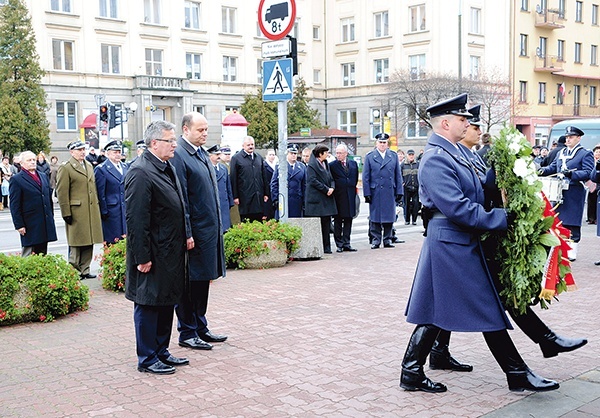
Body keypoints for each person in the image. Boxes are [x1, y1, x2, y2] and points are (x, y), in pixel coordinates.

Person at [400, 93, 558, 394]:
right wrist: (502, 218)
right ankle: (517, 373)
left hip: (456, 240)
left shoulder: (453, 153)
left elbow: (476, 188)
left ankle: (412, 371)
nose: (467, 123)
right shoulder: (436, 159)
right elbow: (458, 207)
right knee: (482, 306)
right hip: (450, 240)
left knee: (436, 310)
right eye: (462, 119)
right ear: (445, 123)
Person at [124, 120, 191, 375]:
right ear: (154, 143)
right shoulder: (140, 171)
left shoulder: (166, 166)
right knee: (149, 304)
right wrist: (142, 257)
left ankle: (161, 350)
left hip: (170, 251)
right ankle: (147, 357)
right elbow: (136, 219)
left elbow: (179, 205)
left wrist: (186, 235)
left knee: (165, 302)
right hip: (152, 253)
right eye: (170, 141)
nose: (174, 145)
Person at [171, 112, 228, 352]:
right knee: (189, 283)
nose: (205, 134)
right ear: (186, 130)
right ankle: (187, 331)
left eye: (206, 130)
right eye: (200, 130)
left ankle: (200, 326)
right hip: (194, 233)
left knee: (203, 280)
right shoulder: (180, 155)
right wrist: (187, 232)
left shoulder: (201, 153)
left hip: (208, 230)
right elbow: (181, 198)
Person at [538, 126, 594, 260]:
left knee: (572, 222)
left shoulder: (584, 153)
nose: (568, 139)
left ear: (578, 138)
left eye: (571, 137)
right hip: (559, 192)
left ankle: (572, 250)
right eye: (567, 137)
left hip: (574, 191)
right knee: (559, 221)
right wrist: (541, 170)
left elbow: (588, 172)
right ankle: (561, 249)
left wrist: (572, 174)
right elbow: (553, 167)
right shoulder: (561, 152)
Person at [56, 140, 103, 279]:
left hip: (90, 209)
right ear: (72, 152)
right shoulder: (66, 167)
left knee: (89, 240)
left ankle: (85, 269)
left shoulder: (88, 165)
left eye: (84, 149)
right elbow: (62, 192)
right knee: (76, 242)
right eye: (79, 150)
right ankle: (74, 270)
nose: (83, 152)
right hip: (76, 210)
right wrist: (66, 212)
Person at [9, 151, 57, 256]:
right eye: (29, 160)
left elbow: (47, 198)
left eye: (34, 160)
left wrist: (50, 216)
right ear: (21, 163)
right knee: (29, 255)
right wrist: (19, 225)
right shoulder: (16, 179)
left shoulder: (43, 176)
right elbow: (14, 205)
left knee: (42, 254)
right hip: (29, 223)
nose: (32, 162)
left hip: (44, 222)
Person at [363, 133, 404, 249]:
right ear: (376, 143)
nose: (382, 145)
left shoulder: (393, 156)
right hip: (375, 191)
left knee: (389, 216)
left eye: (384, 142)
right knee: (375, 217)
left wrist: (399, 192)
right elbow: (366, 177)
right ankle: (376, 240)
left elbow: (398, 175)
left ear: (387, 144)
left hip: (389, 190)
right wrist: (367, 193)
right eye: (380, 142)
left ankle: (387, 239)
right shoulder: (370, 156)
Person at [304, 144, 337, 254]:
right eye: (326, 152)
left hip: (327, 198)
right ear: (320, 154)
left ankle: (327, 247)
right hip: (317, 199)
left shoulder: (326, 164)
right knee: (318, 225)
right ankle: (319, 246)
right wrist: (325, 189)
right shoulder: (312, 165)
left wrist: (332, 187)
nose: (327, 155)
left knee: (327, 224)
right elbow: (312, 181)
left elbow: (331, 177)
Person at [94, 140, 127, 244]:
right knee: (112, 242)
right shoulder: (102, 169)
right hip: (111, 210)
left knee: (125, 241)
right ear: (108, 153)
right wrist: (104, 211)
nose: (118, 155)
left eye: (119, 152)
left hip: (124, 208)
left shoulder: (125, 167)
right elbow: (100, 192)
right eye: (115, 152)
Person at [230, 136, 269, 222]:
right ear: (243, 146)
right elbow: (233, 178)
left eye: (252, 144)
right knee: (246, 221)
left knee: (258, 223)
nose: (251, 146)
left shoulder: (258, 158)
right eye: (248, 145)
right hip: (244, 197)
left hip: (258, 197)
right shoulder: (236, 158)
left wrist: (266, 193)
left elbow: (264, 176)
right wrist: (235, 196)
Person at [329, 143, 359, 252]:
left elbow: (354, 179)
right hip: (338, 197)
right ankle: (339, 244)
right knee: (337, 221)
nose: (338, 155)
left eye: (340, 153)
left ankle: (347, 242)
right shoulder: (332, 165)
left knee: (348, 220)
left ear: (346, 153)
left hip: (350, 196)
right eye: (337, 153)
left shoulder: (353, 164)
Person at [271, 144, 306, 219]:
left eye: (295, 153)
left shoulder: (302, 167)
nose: (293, 155)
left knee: (296, 223)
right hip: (284, 200)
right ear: (287, 154)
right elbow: (274, 184)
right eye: (291, 153)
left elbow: (304, 185)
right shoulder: (280, 166)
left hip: (297, 200)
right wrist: (275, 199)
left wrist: (305, 200)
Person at [208, 144, 234, 232]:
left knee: (226, 229)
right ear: (210, 156)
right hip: (214, 203)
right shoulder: (207, 168)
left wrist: (230, 201)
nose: (219, 156)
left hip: (224, 203)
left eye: (219, 154)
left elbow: (228, 186)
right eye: (216, 154)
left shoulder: (223, 168)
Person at [220, 145, 241, 226]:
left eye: (229, 154)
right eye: (225, 154)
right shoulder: (222, 166)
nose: (228, 156)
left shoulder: (229, 165)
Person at [400, 149, 420, 226]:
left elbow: (421, 174)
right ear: (407, 156)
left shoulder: (418, 164)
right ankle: (407, 219)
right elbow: (399, 174)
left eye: (412, 155)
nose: (411, 156)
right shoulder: (403, 165)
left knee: (416, 204)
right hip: (406, 187)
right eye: (409, 155)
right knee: (406, 204)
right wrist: (402, 182)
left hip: (416, 187)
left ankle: (414, 220)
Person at [586, 145, 600, 225]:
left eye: (599, 152)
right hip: (590, 183)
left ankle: (597, 218)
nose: (598, 153)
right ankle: (591, 218)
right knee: (591, 201)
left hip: (598, 183)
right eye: (596, 152)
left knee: (597, 201)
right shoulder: (591, 161)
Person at [263, 149, 277, 220]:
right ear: (266, 156)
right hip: (267, 192)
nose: (272, 156)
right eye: (270, 155)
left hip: (274, 192)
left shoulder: (277, 165)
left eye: (273, 155)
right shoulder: (263, 165)